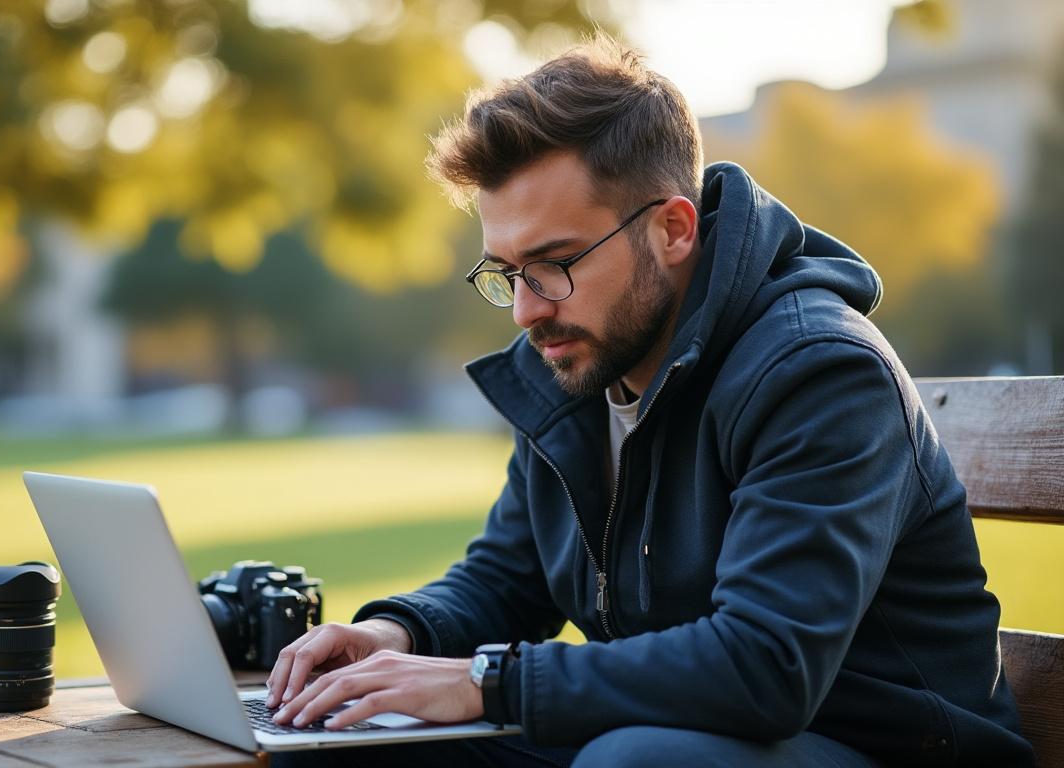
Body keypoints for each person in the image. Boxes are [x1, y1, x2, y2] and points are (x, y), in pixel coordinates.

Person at [265, 35, 1034, 767]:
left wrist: (484, 683)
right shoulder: (576, 366)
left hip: (883, 749)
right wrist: (399, 635)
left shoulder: (820, 373)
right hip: (686, 736)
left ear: (673, 228)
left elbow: (765, 667)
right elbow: (508, 577)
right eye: (506, 272)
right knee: (354, 734)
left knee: (637, 760)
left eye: (556, 262)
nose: (526, 311)